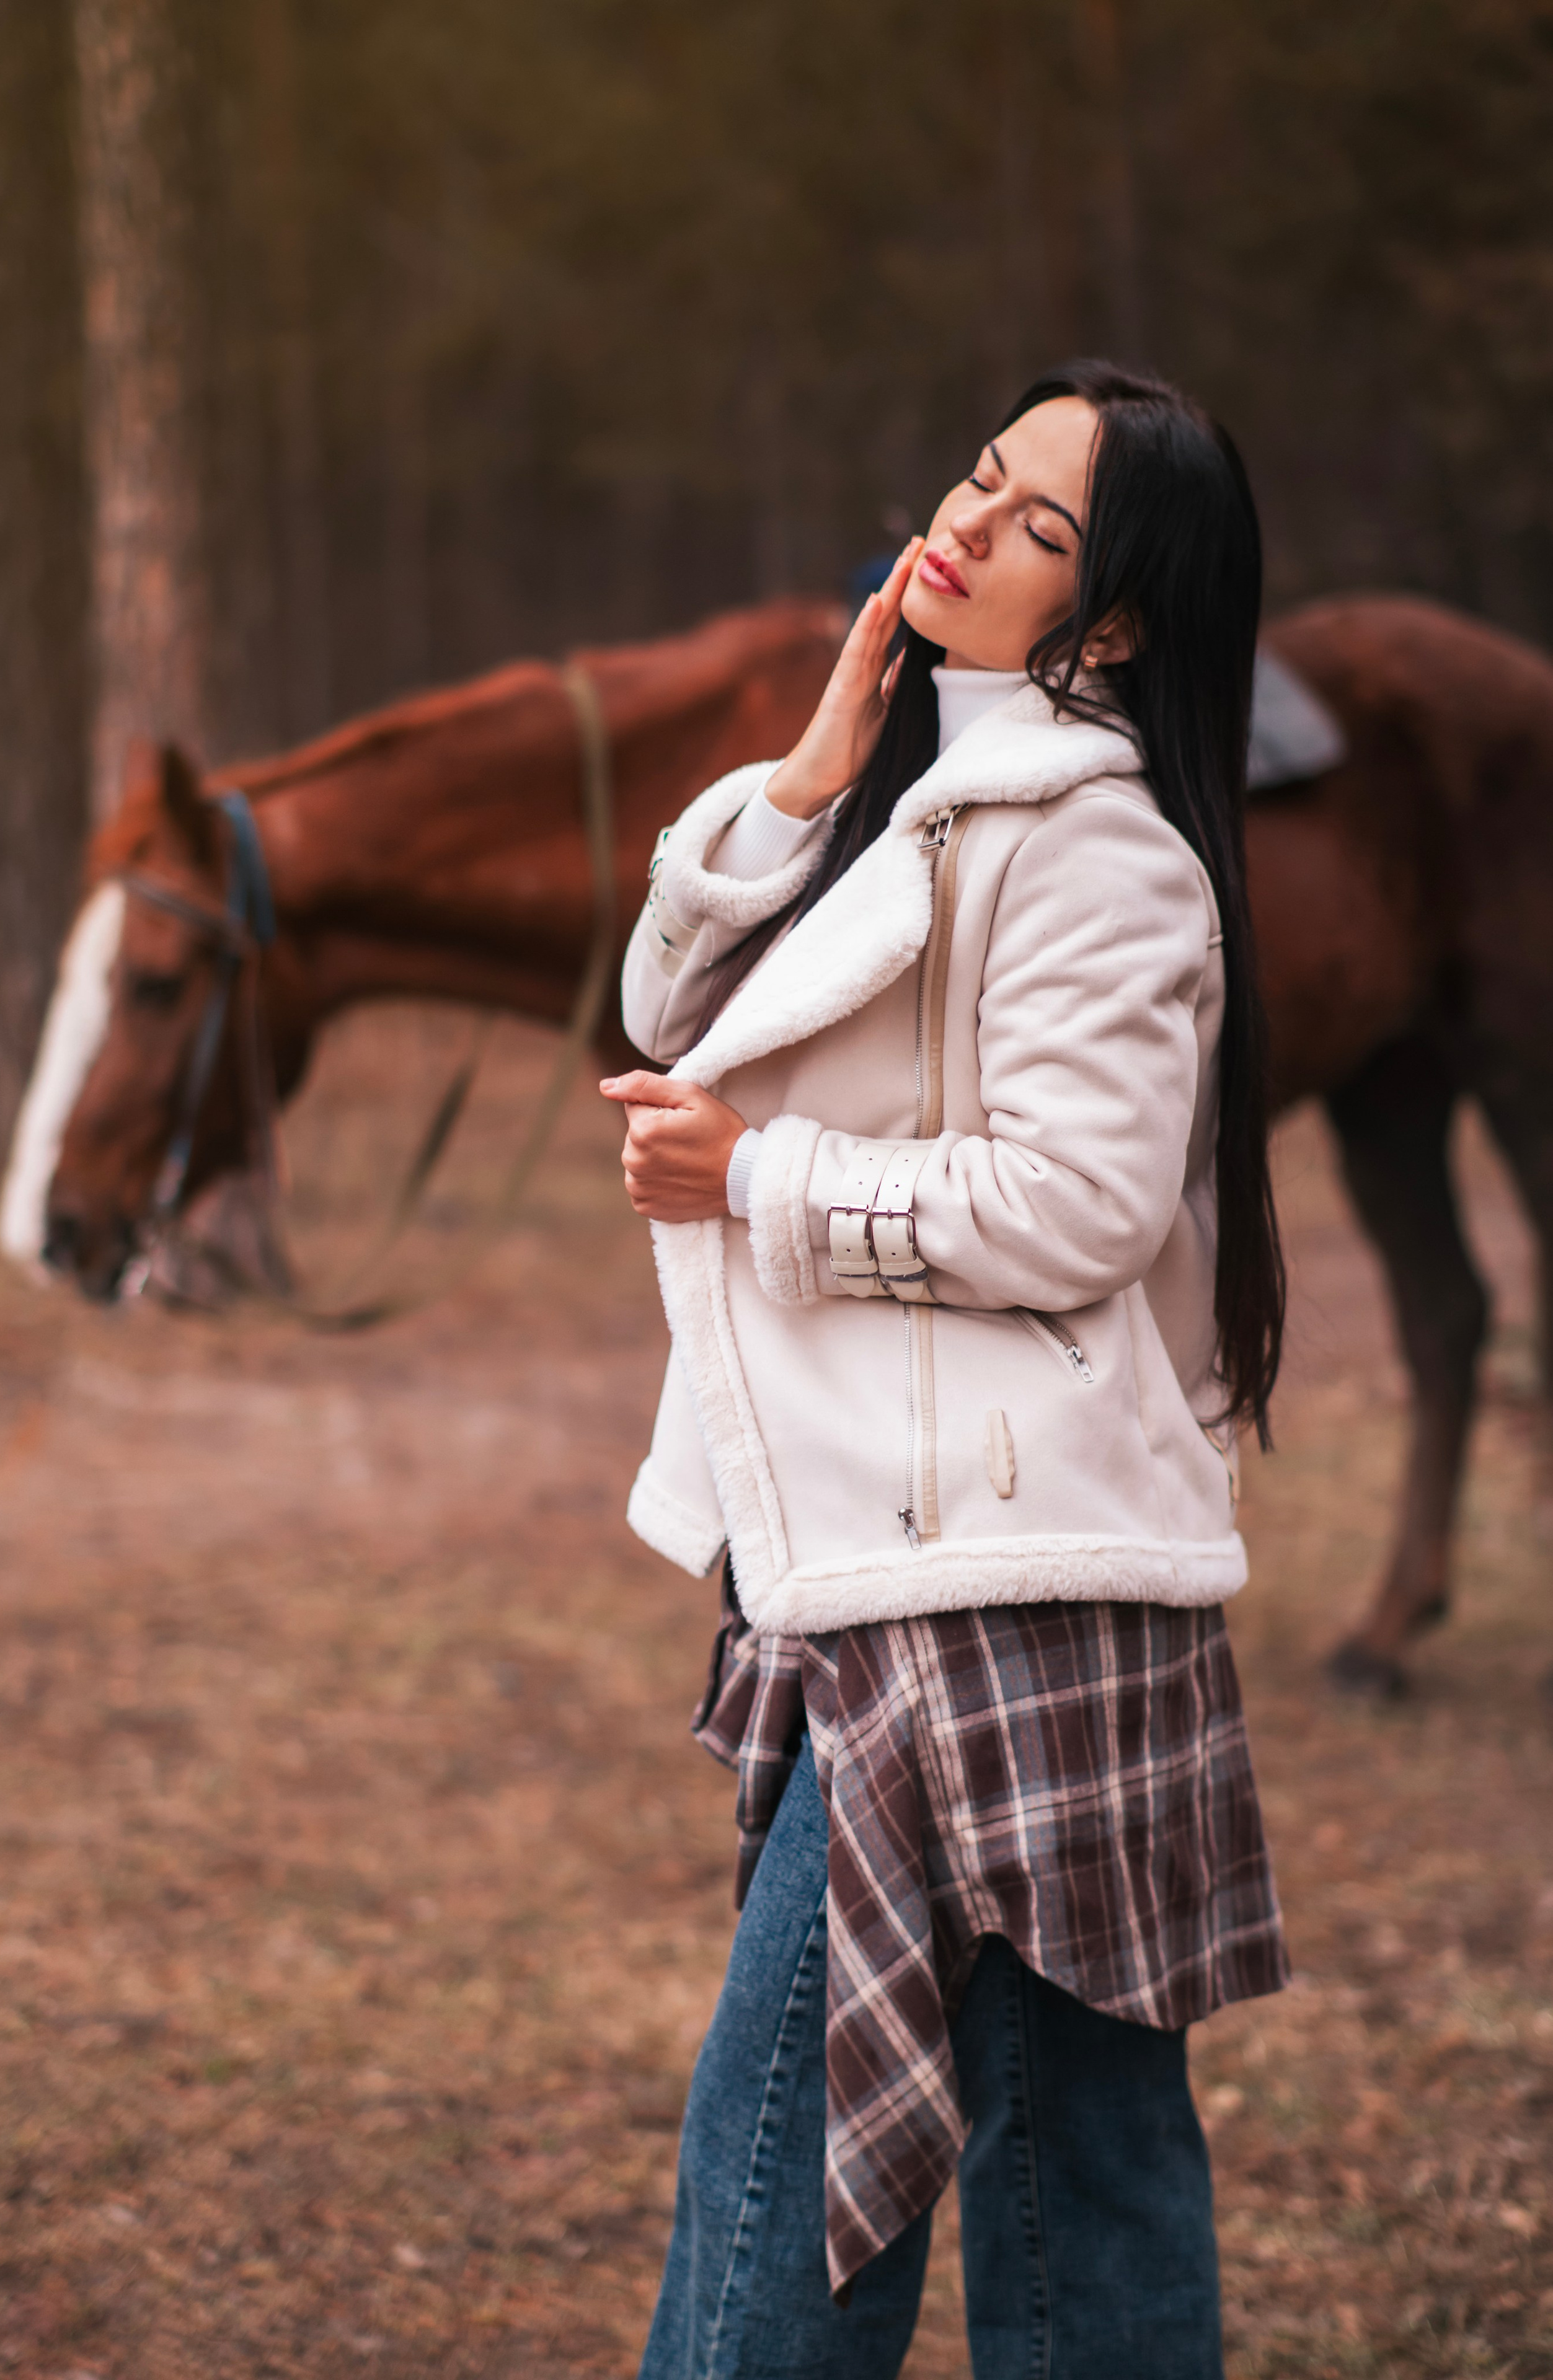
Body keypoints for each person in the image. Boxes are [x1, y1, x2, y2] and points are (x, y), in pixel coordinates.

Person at [601, 360, 1290, 2380]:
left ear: (1122, 619)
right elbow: (669, 1000)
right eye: (980, 480)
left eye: (1040, 529)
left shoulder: (1097, 851)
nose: (967, 526)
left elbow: (1076, 1204)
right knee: (1075, 2154)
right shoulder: (928, 792)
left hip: (983, 1590)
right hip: (944, 1558)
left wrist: (764, 1180)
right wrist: (816, 763)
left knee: (794, 2147)